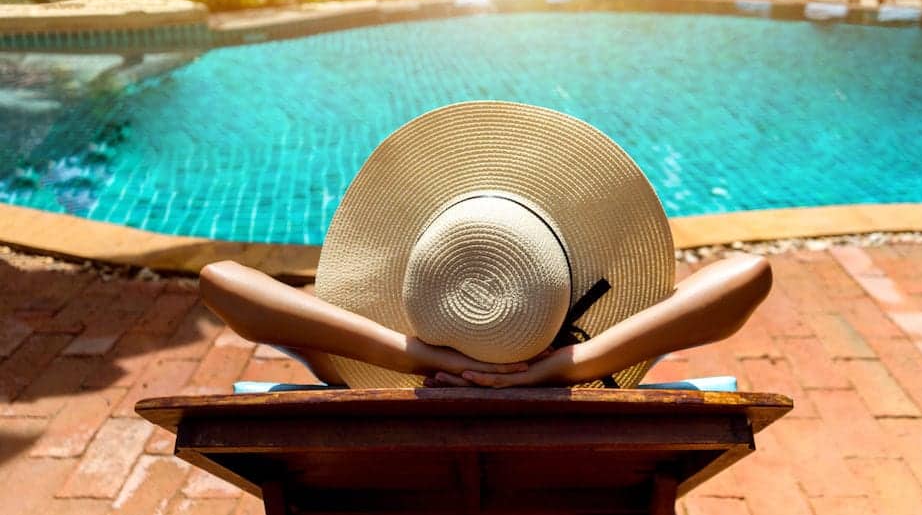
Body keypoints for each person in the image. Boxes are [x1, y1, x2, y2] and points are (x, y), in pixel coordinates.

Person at [199, 102, 772, 389]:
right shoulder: (598, 373)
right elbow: (749, 274)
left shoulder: (353, 366)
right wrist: (572, 365)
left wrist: (413, 357)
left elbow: (221, 280)